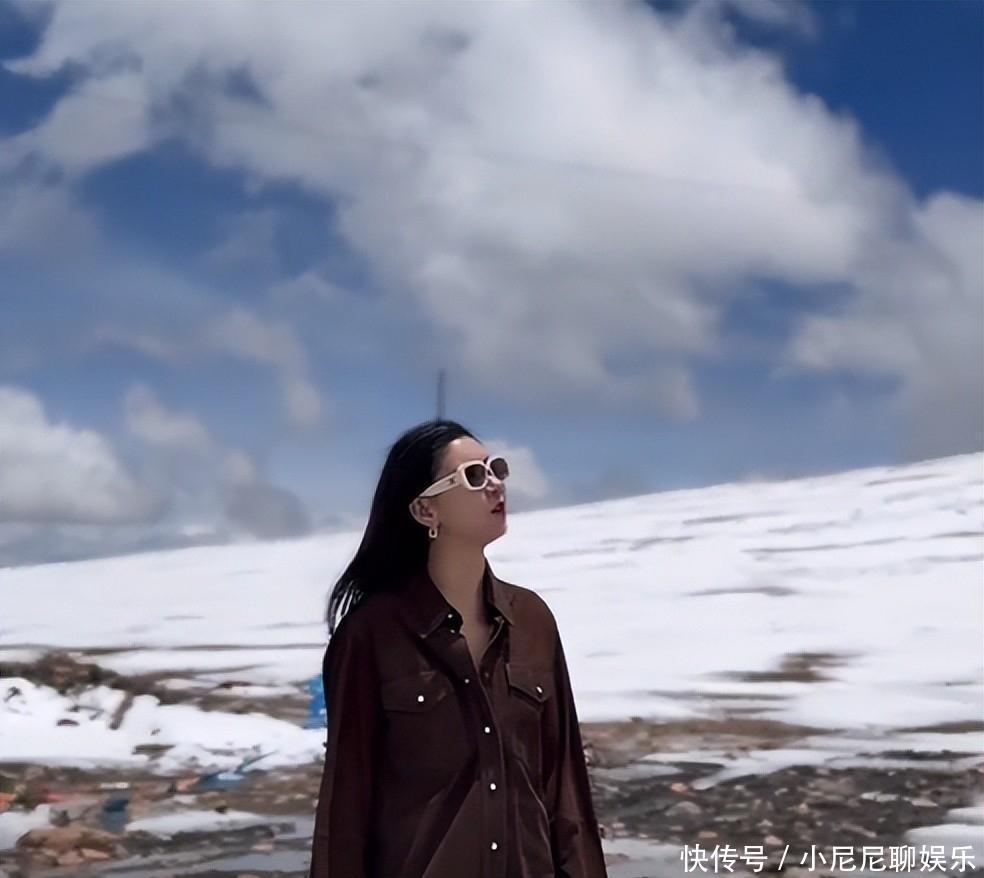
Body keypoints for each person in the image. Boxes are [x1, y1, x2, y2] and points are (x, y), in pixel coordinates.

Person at [309, 418, 608, 878]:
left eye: (496, 469)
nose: (494, 484)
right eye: (473, 476)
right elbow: (345, 813)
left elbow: (566, 794)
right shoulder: (371, 636)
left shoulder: (533, 621)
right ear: (426, 511)